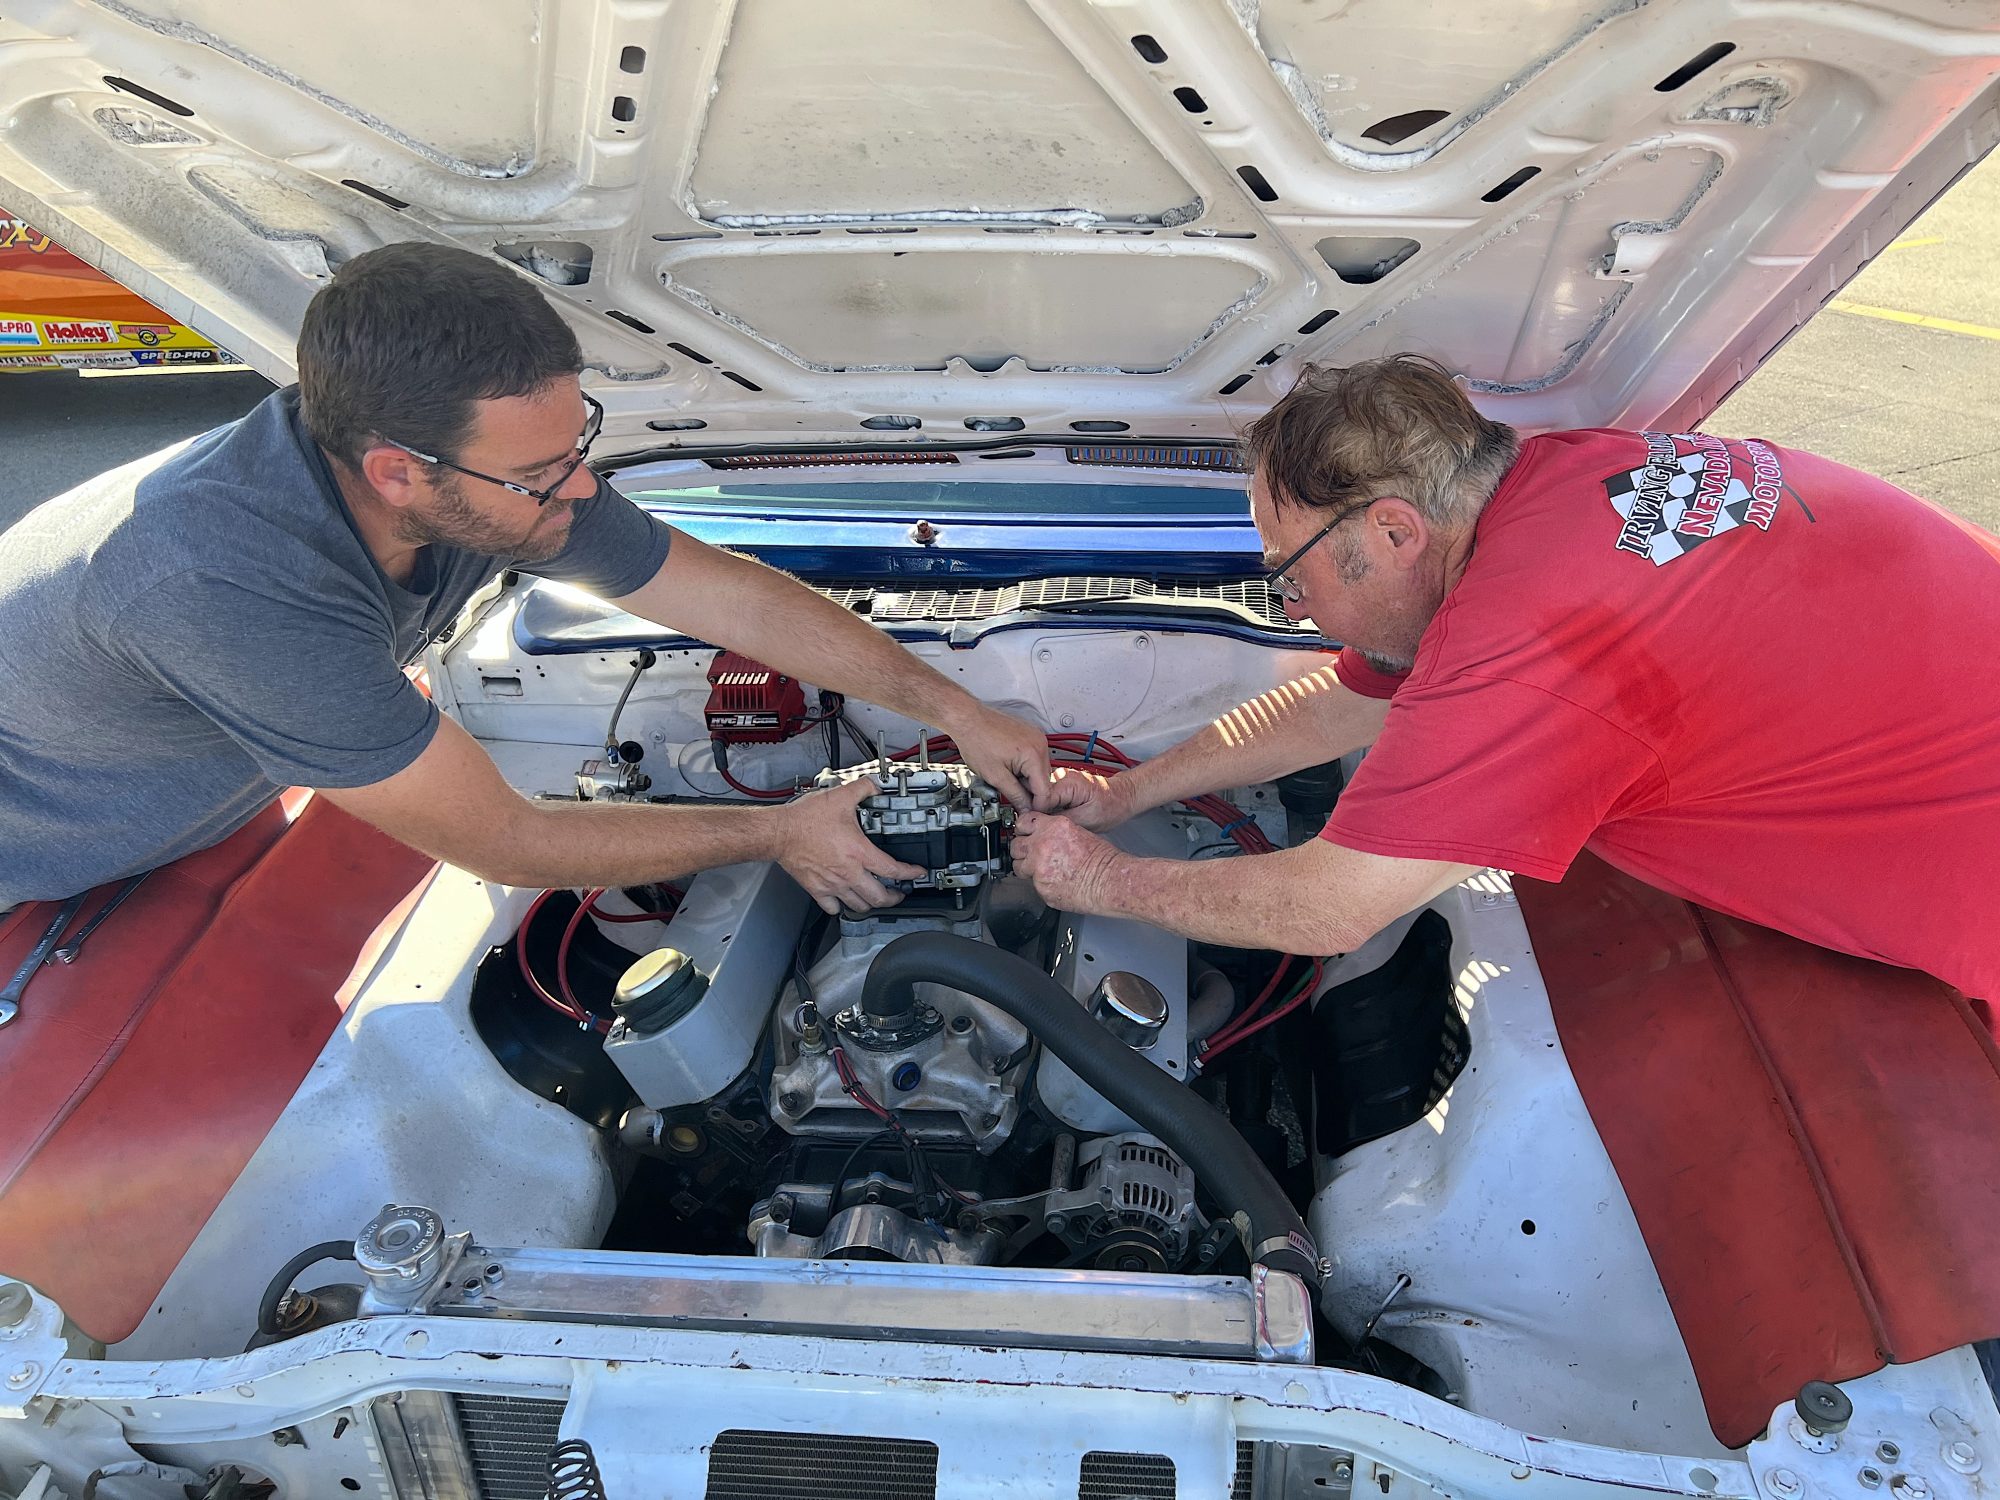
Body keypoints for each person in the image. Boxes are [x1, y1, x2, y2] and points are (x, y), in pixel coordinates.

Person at [0, 243, 1051, 918]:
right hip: (34, 859)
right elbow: (505, 840)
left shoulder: (474, 479)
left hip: (180, 793)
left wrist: (950, 706)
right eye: (545, 472)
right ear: (396, 472)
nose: (581, 484)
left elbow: (718, 593)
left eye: (577, 441)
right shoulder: (220, 585)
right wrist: (781, 830)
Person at [1010, 353, 2000, 1000]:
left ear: (1392, 530)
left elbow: (1332, 907)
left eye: (1286, 573)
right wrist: (1124, 793)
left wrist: (1098, 881)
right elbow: (1343, 700)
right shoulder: (1565, 478)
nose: (1293, 610)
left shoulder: (1540, 634)